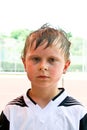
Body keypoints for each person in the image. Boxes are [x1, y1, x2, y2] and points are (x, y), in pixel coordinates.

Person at [0, 24, 87, 130]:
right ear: (24, 63)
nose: (43, 66)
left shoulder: (78, 113)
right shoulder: (11, 112)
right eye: (36, 59)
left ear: (65, 66)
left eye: (52, 60)